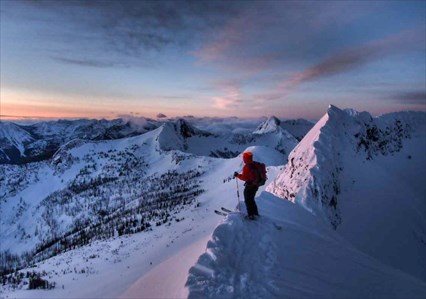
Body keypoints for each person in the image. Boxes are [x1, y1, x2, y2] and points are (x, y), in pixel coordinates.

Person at [234, 151, 260, 220]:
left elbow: (244, 177)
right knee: (251, 200)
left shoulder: (247, 167)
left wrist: (237, 175)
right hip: (256, 185)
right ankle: (255, 213)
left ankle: (250, 215)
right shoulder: (254, 164)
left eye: (244, 158)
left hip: (250, 186)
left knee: (248, 200)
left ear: (245, 158)